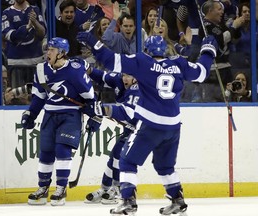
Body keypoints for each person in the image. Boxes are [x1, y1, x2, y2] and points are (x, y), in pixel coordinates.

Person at [76, 31, 218, 215]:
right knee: (165, 166)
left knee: (127, 161)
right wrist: (208, 51)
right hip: (173, 127)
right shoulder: (179, 63)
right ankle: (178, 201)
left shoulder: (143, 61)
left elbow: (111, 61)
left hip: (150, 124)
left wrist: (93, 42)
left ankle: (128, 201)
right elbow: (202, 73)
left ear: (147, 50)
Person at [21, 37, 101, 206]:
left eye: (51, 49)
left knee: (62, 150)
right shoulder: (41, 70)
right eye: (47, 49)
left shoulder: (75, 70)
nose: (47, 52)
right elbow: (39, 97)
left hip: (70, 116)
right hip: (49, 115)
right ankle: (43, 189)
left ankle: (61, 189)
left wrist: (95, 116)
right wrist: (31, 114)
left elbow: (90, 98)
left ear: (62, 53)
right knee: (46, 153)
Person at [84, 68, 139, 205]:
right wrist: (87, 69)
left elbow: (127, 113)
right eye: (124, 75)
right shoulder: (120, 81)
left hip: (143, 130)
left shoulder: (139, 89)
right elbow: (103, 76)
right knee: (114, 154)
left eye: (129, 75)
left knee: (119, 155)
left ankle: (118, 189)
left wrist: (101, 109)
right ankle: (105, 188)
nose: (125, 78)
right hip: (130, 128)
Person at [2, 0, 46, 88]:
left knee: (36, 93)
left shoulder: (35, 10)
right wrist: (28, 27)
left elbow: (42, 33)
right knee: (17, 96)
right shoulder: (6, 13)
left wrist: (35, 22)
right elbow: (11, 36)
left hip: (35, 61)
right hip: (16, 63)